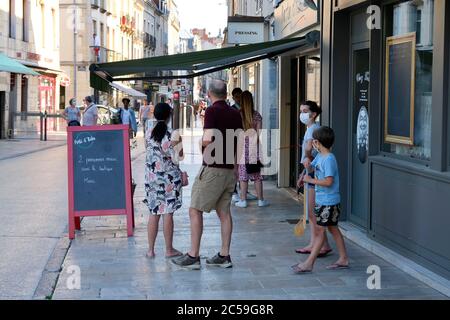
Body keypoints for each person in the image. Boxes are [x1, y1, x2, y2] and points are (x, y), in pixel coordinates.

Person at [172, 80, 243, 270]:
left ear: (209, 93)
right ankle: (224, 255)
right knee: (224, 213)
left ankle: (193, 256)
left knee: (195, 209)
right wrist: (235, 167)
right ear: (226, 93)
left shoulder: (212, 111)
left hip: (213, 168)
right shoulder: (236, 113)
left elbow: (208, 138)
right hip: (229, 170)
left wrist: (200, 146)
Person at [292, 126, 349, 273]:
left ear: (316, 142)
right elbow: (313, 169)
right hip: (323, 200)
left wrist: (310, 180)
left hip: (329, 201)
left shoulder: (329, 159)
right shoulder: (319, 157)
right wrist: (307, 170)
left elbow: (328, 181)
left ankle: (309, 263)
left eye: (312, 142)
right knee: (332, 229)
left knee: (320, 232)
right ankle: (343, 258)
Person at [144, 103, 184, 259]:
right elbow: (179, 157)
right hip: (169, 179)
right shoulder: (173, 134)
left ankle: (150, 250)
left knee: (154, 213)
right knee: (168, 213)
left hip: (152, 179)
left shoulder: (148, 133)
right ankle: (168, 250)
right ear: (169, 116)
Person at [296, 101, 332, 257]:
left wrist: (307, 165)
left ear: (314, 114)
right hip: (310, 171)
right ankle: (322, 244)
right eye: (301, 111)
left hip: (314, 173)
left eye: (305, 111)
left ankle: (316, 244)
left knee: (311, 213)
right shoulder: (311, 129)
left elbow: (309, 150)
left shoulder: (313, 130)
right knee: (311, 212)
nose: (302, 114)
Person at [234, 91, 269, 208]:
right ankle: (261, 200)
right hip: (255, 147)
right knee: (257, 175)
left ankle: (243, 200)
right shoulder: (257, 115)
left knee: (243, 175)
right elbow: (258, 134)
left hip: (242, 148)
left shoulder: (238, 115)